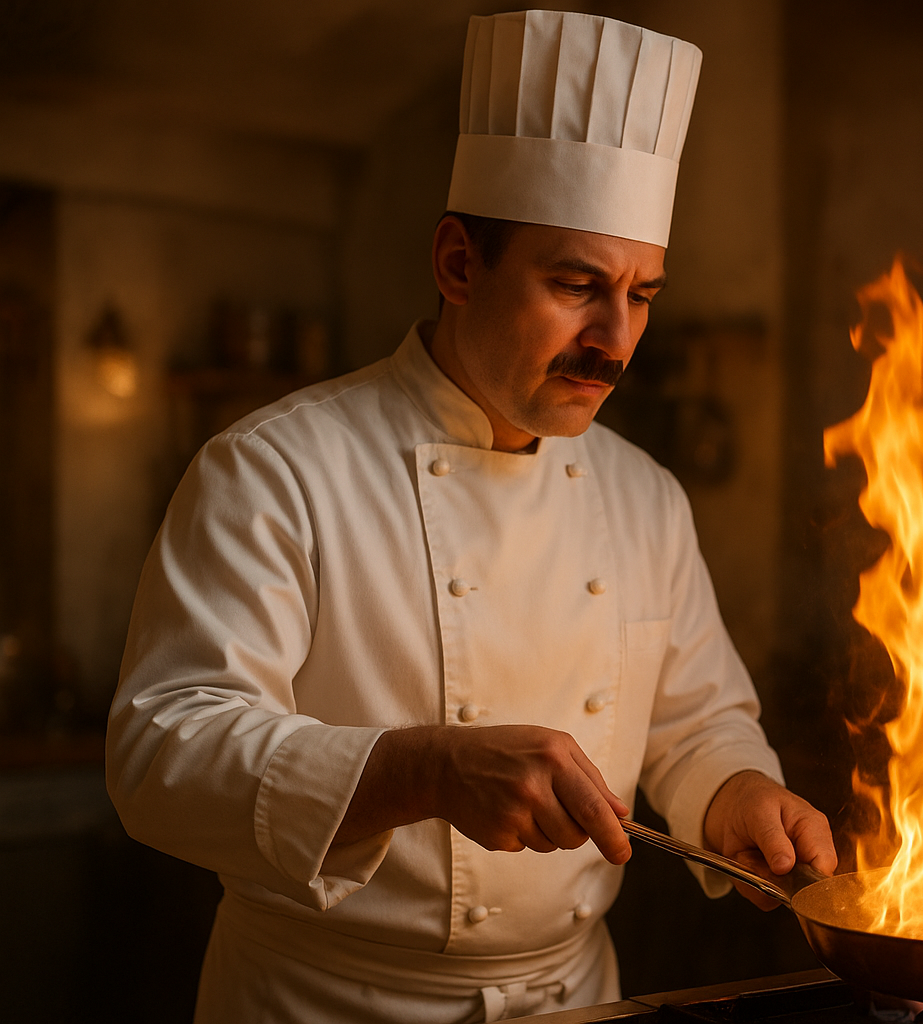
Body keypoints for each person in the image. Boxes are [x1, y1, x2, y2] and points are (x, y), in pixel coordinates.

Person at [106, 11, 836, 1024]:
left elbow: (695, 722)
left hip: (574, 999)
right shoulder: (276, 469)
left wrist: (736, 795)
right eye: (577, 284)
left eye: (642, 294)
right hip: (322, 1002)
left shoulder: (644, 496)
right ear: (458, 264)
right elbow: (162, 754)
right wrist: (421, 769)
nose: (616, 340)